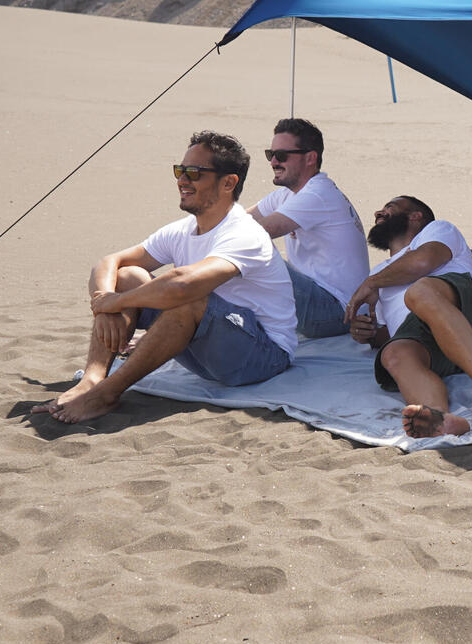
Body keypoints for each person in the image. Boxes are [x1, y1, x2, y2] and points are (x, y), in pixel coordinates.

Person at [32, 131, 298, 424]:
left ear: (228, 182)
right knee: (128, 275)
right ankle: (93, 380)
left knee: (188, 300)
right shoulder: (182, 230)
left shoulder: (244, 233)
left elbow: (184, 285)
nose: (182, 180)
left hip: (262, 356)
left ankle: (106, 394)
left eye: (194, 173)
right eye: (180, 170)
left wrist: (116, 301)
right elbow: (108, 263)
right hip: (207, 348)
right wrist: (105, 303)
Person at [345, 196, 472, 439]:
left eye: (389, 208)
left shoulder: (437, 230)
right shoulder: (377, 274)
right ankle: (439, 418)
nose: (378, 212)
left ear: (416, 216)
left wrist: (371, 282)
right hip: (434, 340)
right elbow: (391, 331)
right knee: (394, 354)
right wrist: (370, 334)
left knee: (420, 292)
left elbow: (423, 262)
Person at [249, 118, 369, 338]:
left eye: (282, 156)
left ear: (310, 158)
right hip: (318, 299)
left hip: (337, 312)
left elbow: (251, 234)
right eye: (270, 154)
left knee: (250, 250)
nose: (273, 162)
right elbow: (238, 220)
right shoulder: (289, 194)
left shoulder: (317, 194)